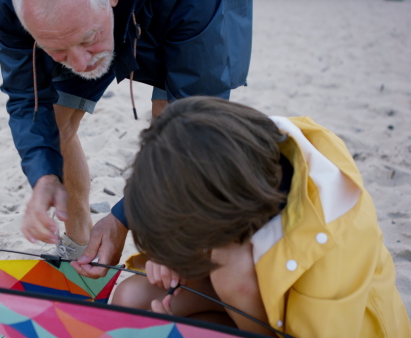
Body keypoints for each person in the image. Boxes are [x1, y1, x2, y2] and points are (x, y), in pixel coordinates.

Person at [110, 96, 411, 337]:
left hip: (318, 326)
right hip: (248, 294)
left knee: (231, 271)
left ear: (217, 210)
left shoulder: (337, 235)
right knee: (134, 301)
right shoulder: (239, 157)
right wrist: (173, 257)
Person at [0, 0, 253, 272]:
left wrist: (124, 217)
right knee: (54, 122)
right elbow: (26, 96)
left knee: (171, 127)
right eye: (57, 50)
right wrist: (43, 175)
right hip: (94, 18)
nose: (81, 63)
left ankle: (163, 254)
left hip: (181, 13)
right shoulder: (8, 6)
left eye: (88, 39)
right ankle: (80, 249)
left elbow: (195, 126)